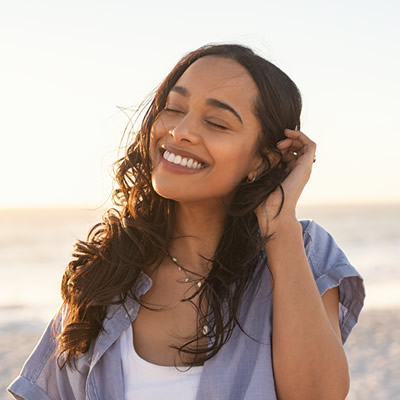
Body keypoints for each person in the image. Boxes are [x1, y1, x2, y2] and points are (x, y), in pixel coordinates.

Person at [8, 43, 365, 400]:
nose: (180, 131)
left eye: (215, 122)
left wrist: (279, 223)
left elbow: (317, 395)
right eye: (174, 109)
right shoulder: (105, 274)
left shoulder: (301, 253)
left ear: (262, 160)